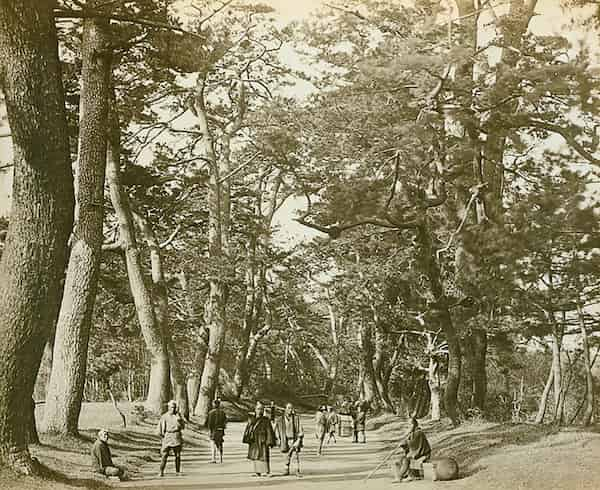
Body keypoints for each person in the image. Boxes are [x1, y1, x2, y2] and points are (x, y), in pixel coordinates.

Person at [391, 417, 431, 483]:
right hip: (417, 453)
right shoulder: (412, 433)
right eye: (408, 425)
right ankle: (408, 475)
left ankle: (399, 477)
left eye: (411, 424)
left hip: (423, 454)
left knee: (406, 459)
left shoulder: (419, 433)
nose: (409, 426)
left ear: (415, 424)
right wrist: (403, 444)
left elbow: (414, 445)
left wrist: (405, 442)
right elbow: (409, 446)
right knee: (401, 459)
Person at [243, 401, 276, 477]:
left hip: (263, 440)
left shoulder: (266, 420)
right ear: (255, 409)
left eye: (261, 409)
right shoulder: (252, 419)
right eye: (258, 409)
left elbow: (269, 431)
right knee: (255, 456)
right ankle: (257, 472)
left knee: (264, 456)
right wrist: (247, 438)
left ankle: (266, 472)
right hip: (254, 440)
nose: (259, 410)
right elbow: (248, 429)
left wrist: (270, 441)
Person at [274, 402, 304, 476]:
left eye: (291, 408)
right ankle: (286, 470)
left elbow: (300, 429)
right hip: (284, 439)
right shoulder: (280, 419)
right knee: (286, 455)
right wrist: (278, 439)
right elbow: (275, 430)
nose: (290, 410)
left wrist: (299, 440)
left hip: (293, 439)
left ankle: (297, 470)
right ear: (285, 409)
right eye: (288, 408)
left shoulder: (296, 418)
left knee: (294, 455)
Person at [157, 400, 185, 477]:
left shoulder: (178, 416)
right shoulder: (164, 416)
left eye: (174, 407)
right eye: (171, 407)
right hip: (168, 436)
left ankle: (178, 471)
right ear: (168, 407)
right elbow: (160, 429)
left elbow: (183, 427)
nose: (173, 409)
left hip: (176, 436)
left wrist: (180, 420)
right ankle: (161, 471)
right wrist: (163, 436)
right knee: (164, 455)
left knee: (178, 455)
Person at [207, 398, 227, 463]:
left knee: (213, 444)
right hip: (220, 430)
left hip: (214, 430)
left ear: (214, 405)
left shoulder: (211, 413)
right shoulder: (223, 413)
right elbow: (225, 422)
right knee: (220, 443)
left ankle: (213, 458)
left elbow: (209, 423)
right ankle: (220, 457)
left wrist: (209, 431)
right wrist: (223, 428)